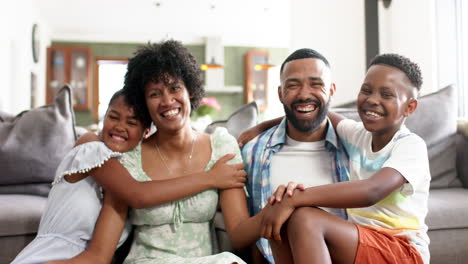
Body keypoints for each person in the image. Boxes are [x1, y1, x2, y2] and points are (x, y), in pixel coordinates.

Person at [12, 89, 246, 264]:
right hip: (52, 257)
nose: (120, 127)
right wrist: (210, 178)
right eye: (113, 117)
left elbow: (99, 256)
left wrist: (259, 127)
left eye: (131, 122)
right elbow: (139, 194)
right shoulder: (91, 146)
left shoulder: (123, 172)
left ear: (145, 134)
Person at [244, 54, 430, 264]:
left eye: (387, 95)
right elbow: (316, 111)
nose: (372, 99)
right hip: (360, 241)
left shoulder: (410, 146)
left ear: (410, 107)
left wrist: (295, 198)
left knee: (305, 218)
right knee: (286, 217)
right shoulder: (358, 135)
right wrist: (262, 126)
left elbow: (372, 191)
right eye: (366, 90)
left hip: (402, 251)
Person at [110, 40, 268, 264]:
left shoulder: (221, 147)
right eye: (155, 94)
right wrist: (210, 178)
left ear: (190, 91)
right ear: (143, 102)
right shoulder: (131, 156)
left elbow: (239, 234)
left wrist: (274, 212)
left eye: (174, 88)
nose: (167, 101)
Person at [240, 48, 350, 263]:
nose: (304, 94)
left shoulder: (355, 145)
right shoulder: (252, 151)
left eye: (316, 84)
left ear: (332, 90)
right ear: (280, 93)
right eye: (293, 85)